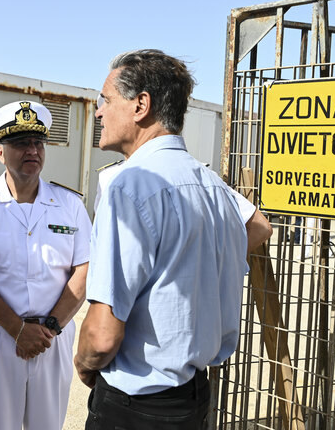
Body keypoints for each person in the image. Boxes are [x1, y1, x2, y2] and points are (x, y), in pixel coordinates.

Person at [74, 49, 273, 429]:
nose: (98, 111)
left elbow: (101, 336)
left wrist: (85, 364)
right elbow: (259, 226)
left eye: (106, 100)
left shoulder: (129, 186)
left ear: (140, 106)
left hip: (135, 405)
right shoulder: (211, 184)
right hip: (192, 398)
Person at [0, 100, 92, 430]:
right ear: (0, 152)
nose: (32, 150)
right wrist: (17, 329)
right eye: (20, 143)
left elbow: (84, 268)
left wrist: (51, 327)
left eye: (38, 142)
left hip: (51, 335)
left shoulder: (70, 205)